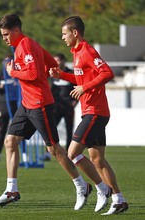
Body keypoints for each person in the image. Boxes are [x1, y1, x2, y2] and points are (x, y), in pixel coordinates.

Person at [0, 14, 95, 211]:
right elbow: (50, 64)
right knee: (10, 141)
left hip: (40, 104)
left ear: (16, 31)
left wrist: (13, 72)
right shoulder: (26, 45)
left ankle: (82, 186)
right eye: (2, 35)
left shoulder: (26, 45)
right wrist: (43, 71)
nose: (4, 38)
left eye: (6, 34)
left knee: (54, 150)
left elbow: (33, 74)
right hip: (27, 104)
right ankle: (11, 189)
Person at [49, 16, 128, 215]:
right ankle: (119, 199)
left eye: (65, 33)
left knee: (72, 153)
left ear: (75, 33)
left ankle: (101, 189)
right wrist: (62, 76)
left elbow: (107, 73)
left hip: (95, 111)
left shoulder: (86, 50)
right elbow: (81, 77)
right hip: (93, 111)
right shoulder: (77, 53)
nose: (62, 37)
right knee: (98, 160)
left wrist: (85, 87)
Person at [0, 55, 19, 162]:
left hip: (15, 104)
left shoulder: (16, 73)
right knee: (2, 130)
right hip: (3, 105)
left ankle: (22, 154)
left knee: (17, 131)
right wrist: (2, 88)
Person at [51, 53, 77, 150]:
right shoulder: (53, 74)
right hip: (56, 107)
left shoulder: (70, 73)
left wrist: (75, 101)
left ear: (63, 61)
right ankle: (49, 150)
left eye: (58, 60)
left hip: (68, 106)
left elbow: (78, 87)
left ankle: (68, 151)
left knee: (69, 129)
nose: (56, 63)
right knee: (52, 129)